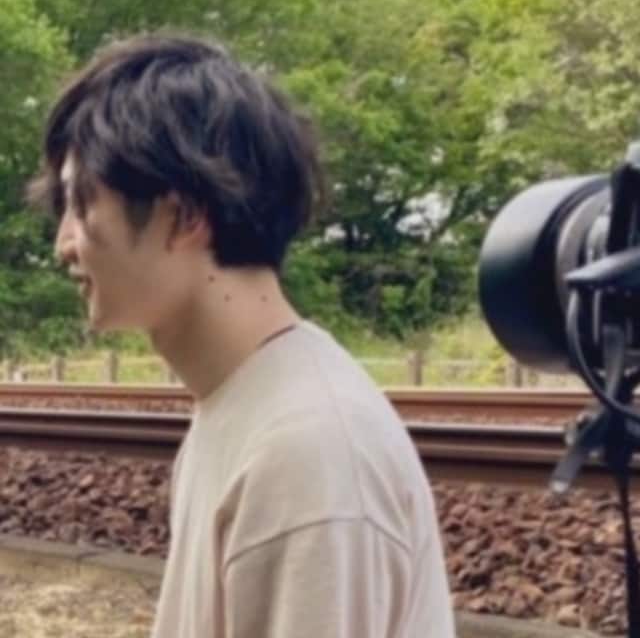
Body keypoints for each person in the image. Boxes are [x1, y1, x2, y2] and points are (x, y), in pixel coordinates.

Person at [28, 34, 455, 638]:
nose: (63, 244)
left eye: (81, 205)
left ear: (185, 216)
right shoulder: (243, 404)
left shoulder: (305, 456)